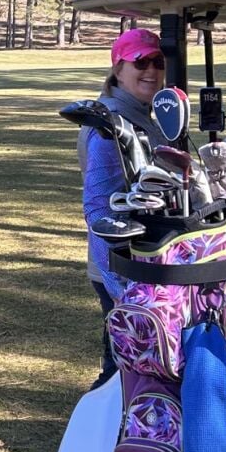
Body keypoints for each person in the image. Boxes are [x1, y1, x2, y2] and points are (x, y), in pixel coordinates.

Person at [79, 27, 168, 387]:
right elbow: (99, 209)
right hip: (121, 267)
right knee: (121, 368)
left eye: (158, 62)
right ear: (118, 69)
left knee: (134, 363)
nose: (151, 71)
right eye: (140, 63)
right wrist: (122, 286)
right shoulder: (111, 124)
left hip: (142, 263)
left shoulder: (140, 115)